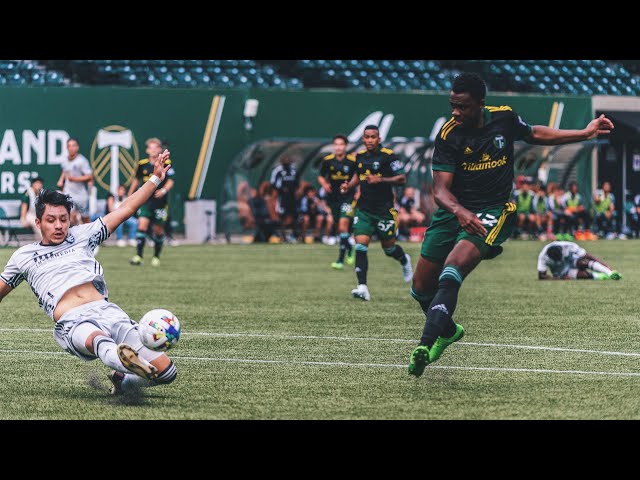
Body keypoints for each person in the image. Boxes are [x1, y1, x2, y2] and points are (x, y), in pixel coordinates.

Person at [408, 72, 614, 377]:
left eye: (462, 106)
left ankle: (423, 345)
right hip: (453, 212)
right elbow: (440, 190)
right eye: (452, 105)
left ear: (480, 104)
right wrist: (461, 212)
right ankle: (449, 331)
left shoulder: (503, 118)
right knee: (421, 289)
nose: (455, 112)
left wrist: (584, 134)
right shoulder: (449, 134)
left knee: (451, 272)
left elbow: (535, 134)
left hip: (494, 209)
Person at [0, 150, 177, 395]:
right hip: (72, 320)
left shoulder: (83, 235)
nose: (59, 225)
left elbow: (125, 210)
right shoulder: (23, 256)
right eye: (51, 220)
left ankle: (122, 378)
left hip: (108, 312)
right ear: (38, 223)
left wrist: (155, 179)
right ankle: (121, 359)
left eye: (64, 219)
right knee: (98, 341)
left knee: (167, 373)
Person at [340, 124, 412, 301]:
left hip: (384, 210)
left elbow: (402, 178)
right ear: (363, 139)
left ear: (379, 139)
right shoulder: (359, 156)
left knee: (389, 249)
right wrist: (349, 185)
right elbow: (359, 174)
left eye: (373, 137)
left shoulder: (389, 156)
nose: (370, 140)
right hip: (364, 209)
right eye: (367, 137)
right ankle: (362, 287)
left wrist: (381, 179)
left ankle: (404, 260)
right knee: (361, 246)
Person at [128, 138, 175, 267]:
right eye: (151, 147)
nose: (153, 150)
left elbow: (171, 180)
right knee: (141, 226)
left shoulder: (166, 162)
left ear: (159, 149)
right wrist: (130, 195)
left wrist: (164, 190)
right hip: (145, 201)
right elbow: (136, 180)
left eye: (156, 147)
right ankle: (139, 256)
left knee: (158, 230)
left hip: (160, 202)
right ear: (147, 150)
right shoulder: (142, 164)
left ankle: (156, 256)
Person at [318, 134, 357, 269]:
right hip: (333, 199)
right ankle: (350, 248)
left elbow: (358, 178)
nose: (338, 147)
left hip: (348, 198)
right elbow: (321, 176)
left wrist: (356, 190)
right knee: (340, 228)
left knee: (343, 225)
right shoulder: (328, 161)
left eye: (341, 144)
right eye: (336, 144)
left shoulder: (352, 162)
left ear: (345, 146)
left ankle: (340, 260)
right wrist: (324, 184)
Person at [537, 240, 622, 280]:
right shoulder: (543, 257)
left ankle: (609, 272)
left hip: (572, 260)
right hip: (562, 271)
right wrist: (557, 278)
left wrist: (604, 264)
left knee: (584, 262)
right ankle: (599, 276)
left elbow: (587, 255)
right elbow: (541, 276)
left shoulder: (568, 246)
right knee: (583, 275)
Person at [57, 138, 93, 226]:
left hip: (81, 194)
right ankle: (72, 238)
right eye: (69, 146)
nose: (72, 148)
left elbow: (89, 176)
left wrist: (75, 179)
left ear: (77, 147)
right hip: (68, 192)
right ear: (67, 148)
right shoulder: (64, 160)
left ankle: (90, 237)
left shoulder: (82, 161)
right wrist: (61, 180)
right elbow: (65, 171)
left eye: (74, 145)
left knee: (85, 219)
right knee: (69, 216)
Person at [270, 156, 299, 243]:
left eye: (288, 160)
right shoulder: (278, 170)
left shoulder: (293, 170)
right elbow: (273, 182)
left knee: (294, 215)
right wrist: (282, 189)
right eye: (285, 160)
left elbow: (297, 182)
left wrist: (296, 190)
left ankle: (294, 235)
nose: (287, 161)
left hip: (292, 197)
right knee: (283, 216)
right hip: (282, 197)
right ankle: (283, 237)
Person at [19, 176, 44, 241]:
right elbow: (24, 207)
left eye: (40, 183)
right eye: (37, 183)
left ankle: (41, 242)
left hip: (37, 215)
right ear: (33, 184)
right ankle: (44, 241)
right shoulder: (28, 194)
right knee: (37, 224)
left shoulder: (41, 194)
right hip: (28, 215)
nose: (38, 185)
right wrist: (23, 219)